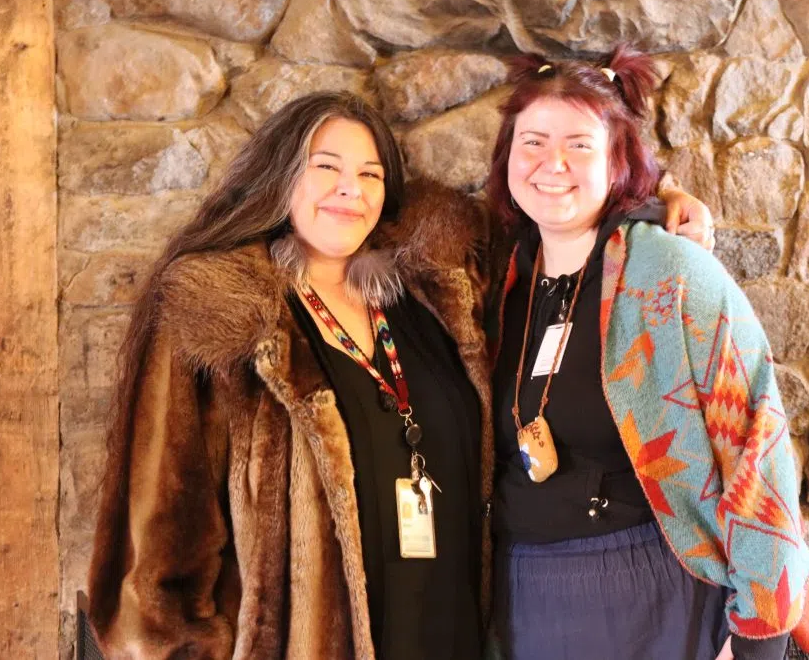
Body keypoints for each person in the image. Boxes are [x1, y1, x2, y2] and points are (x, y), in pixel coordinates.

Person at [86, 90, 715, 659]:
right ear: (279, 178)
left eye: (370, 173)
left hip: (456, 636)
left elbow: (556, 203)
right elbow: (161, 540)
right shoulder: (220, 316)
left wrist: (655, 198)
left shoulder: (437, 288)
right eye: (325, 167)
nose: (350, 190)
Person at [486, 47, 809, 660]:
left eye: (580, 145)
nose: (552, 163)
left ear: (617, 160)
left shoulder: (672, 274)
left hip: (654, 595)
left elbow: (755, 444)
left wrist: (758, 629)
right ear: (507, 155)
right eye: (532, 142)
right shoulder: (494, 279)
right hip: (521, 599)